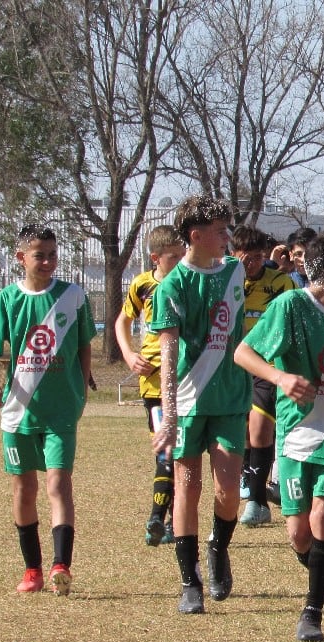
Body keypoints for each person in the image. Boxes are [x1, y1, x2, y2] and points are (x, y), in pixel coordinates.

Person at [233, 231, 324, 641]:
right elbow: (243, 353)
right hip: (295, 435)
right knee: (298, 533)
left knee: (323, 516)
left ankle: (311, 613)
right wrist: (281, 377)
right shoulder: (290, 305)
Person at [0, 224, 95, 596]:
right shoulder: (8, 300)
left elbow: (83, 344)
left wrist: (83, 383)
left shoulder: (72, 296)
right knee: (23, 490)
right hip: (17, 412)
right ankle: (33, 570)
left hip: (61, 410)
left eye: (52, 254)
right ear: (21, 258)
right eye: (39, 255)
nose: (47, 261)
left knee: (58, 485)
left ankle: (62, 565)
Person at [150, 195, 251, 615]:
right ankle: (189, 580)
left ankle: (217, 548)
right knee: (186, 489)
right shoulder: (172, 286)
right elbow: (168, 358)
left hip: (230, 398)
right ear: (196, 235)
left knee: (228, 489)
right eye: (221, 231)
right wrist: (169, 417)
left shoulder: (235, 270)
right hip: (189, 402)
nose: (229, 237)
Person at [115, 224, 184, 546]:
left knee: (183, 455)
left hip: (187, 380)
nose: (180, 260)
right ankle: (157, 518)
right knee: (166, 452)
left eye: (182, 254)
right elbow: (122, 321)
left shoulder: (189, 282)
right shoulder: (143, 285)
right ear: (156, 258)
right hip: (155, 382)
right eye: (173, 256)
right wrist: (129, 354)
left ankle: (171, 520)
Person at [230, 224, 297, 526]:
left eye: (258, 257)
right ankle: (248, 478)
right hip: (231, 366)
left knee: (259, 430)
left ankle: (257, 501)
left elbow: (292, 318)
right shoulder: (226, 281)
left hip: (265, 365)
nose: (252, 264)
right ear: (234, 256)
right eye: (246, 258)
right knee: (242, 431)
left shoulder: (281, 283)